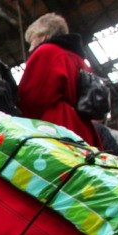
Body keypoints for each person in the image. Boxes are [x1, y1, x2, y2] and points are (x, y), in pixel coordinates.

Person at [18, 13, 103, 150]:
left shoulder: (47, 51)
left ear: (43, 36)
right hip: (83, 128)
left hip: (57, 127)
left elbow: (32, 98)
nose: (30, 48)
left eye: (32, 40)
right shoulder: (80, 60)